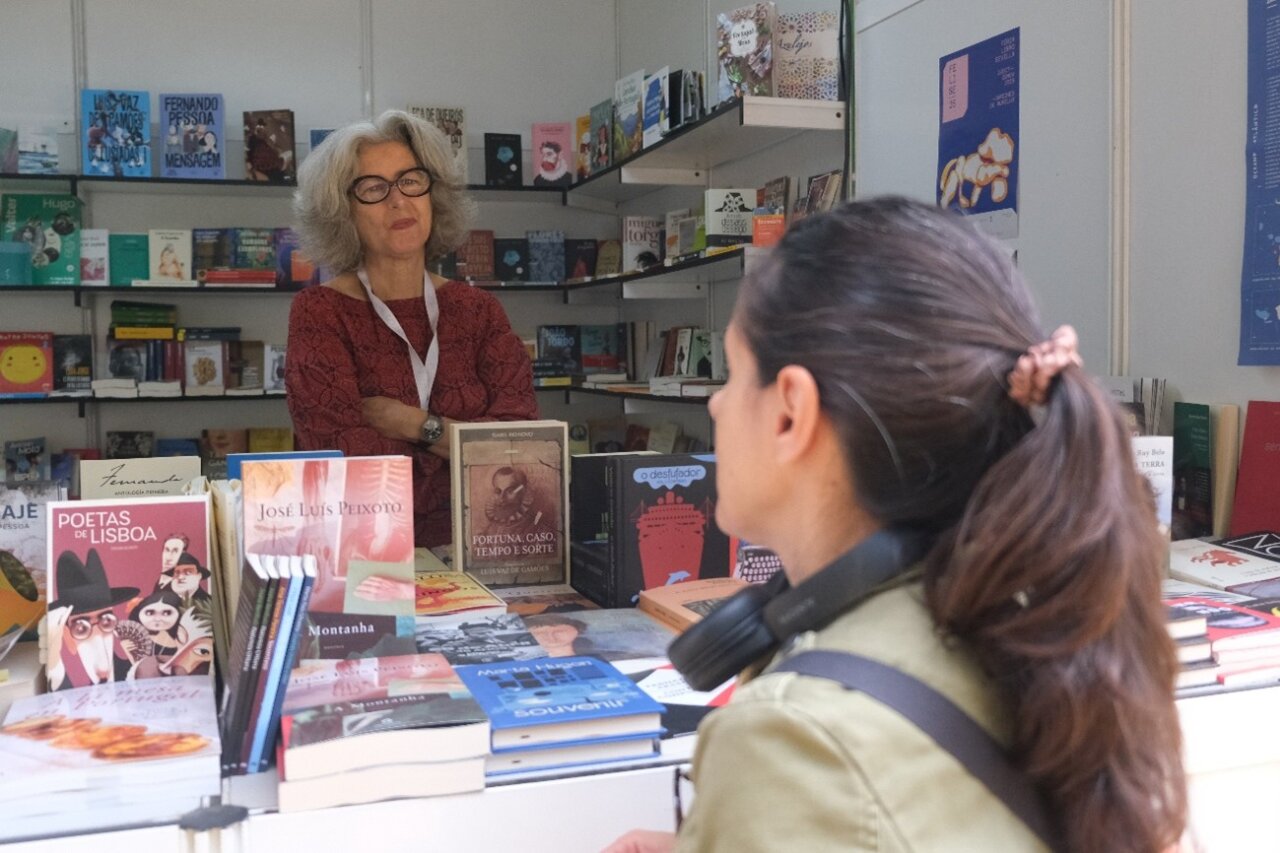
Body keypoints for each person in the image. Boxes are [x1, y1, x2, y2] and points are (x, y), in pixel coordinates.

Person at [605, 198, 1186, 853]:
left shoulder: (793, 742)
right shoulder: (1024, 615)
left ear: (791, 410)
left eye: (734, 373)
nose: (715, 401)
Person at [287, 110, 537, 548]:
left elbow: (520, 450)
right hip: (368, 550)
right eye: (373, 189)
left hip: (489, 544)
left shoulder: (478, 311)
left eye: (410, 180)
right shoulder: (320, 312)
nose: (398, 201)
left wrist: (414, 425)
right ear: (342, 213)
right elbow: (343, 456)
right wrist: (466, 449)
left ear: (433, 194)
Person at [46, 548, 138, 691]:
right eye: (81, 628)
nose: (97, 635)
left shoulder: (137, 673)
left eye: (106, 621)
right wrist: (53, 662)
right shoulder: (62, 682)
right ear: (67, 636)